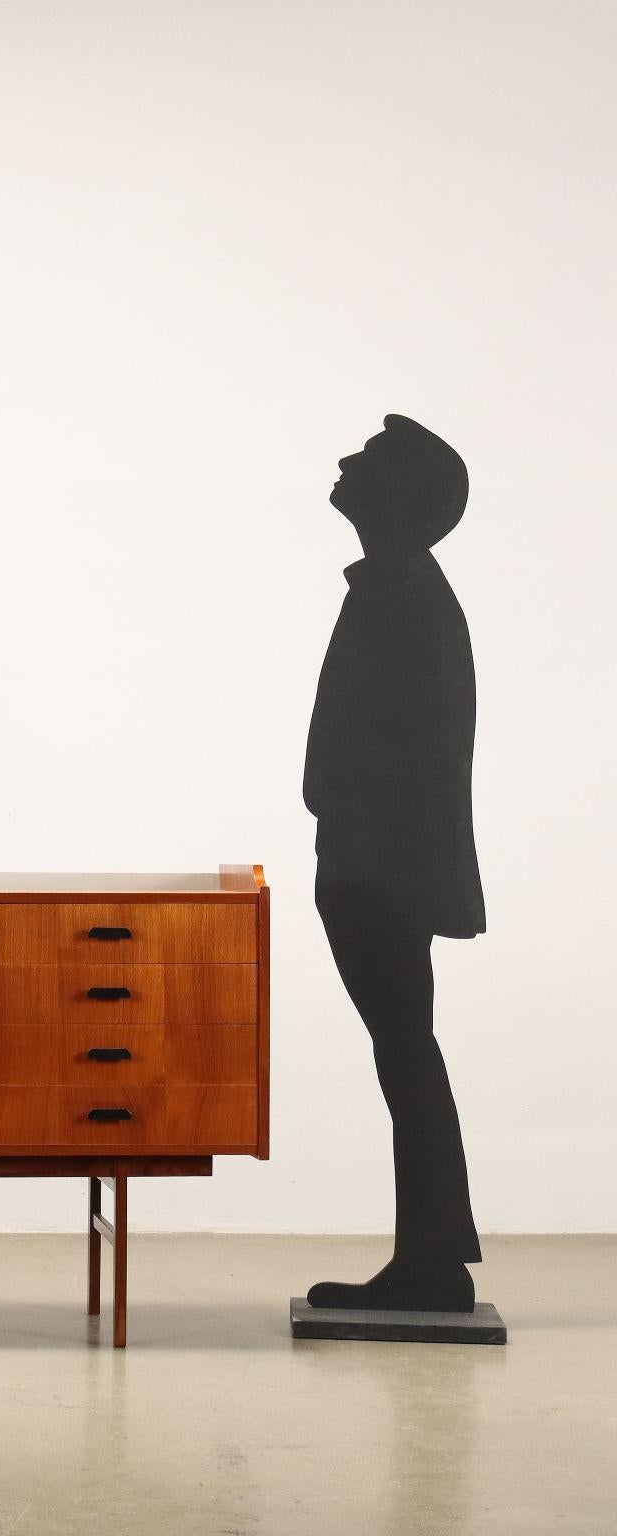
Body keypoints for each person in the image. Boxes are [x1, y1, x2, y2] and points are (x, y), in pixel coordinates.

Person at [303, 414, 485, 1312]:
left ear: (403, 496)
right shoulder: (399, 589)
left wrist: (356, 848)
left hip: (379, 871)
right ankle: (435, 1255)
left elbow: (415, 751)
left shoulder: (402, 594)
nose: (344, 461)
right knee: (406, 1051)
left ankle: (434, 1261)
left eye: (369, 459)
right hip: (374, 864)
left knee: (406, 1052)